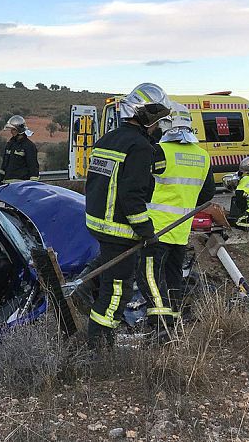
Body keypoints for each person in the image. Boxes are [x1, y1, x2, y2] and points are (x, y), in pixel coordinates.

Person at [84, 83, 172, 351]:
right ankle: (99, 348)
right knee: (117, 291)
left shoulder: (107, 140)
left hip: (97, 223)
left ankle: (87, 293)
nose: (158, 128)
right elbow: (132, 195)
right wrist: (147, 232)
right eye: (157, 122)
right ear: (146, 115)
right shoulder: (139, 147)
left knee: (108, 274)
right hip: (119, 229)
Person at [139, 103, 215, 339]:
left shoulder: (158, 152)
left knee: (149, 275)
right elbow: (206, 194)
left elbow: (141, 185)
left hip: (156, 228)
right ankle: (174, 317)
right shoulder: (202, 156)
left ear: (166, 125)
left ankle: (160, 324)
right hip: (180, 229)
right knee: (173, 276)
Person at [0, 115, 39, 185]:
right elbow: (4, 165)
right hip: (7, 184)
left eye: (14, 129)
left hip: (21, 185)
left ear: (19, 130)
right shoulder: (10, 144)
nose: (11, 132)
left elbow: (33, 167)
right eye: (11, 129)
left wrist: (32, 185)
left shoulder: (29, 146)